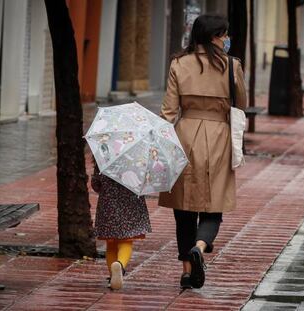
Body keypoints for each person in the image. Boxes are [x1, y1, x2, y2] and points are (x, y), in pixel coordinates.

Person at [158, 15, 247, 289]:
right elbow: (241, 102)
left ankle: (187, 270)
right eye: (224, 35)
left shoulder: (178, 63)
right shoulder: (231, 65)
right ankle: (200, 245)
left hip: (184, 137)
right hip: (219, 137)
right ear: (213, 36)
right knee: (213, 204)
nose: (226, 39)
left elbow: (168, 112)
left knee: (183, 206)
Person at [91, 162, 152, 290]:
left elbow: (96, 185)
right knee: (126, 241)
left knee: (111, 243)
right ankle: (120, 264)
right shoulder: (137, 161)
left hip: (108, 206)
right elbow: (145, 182)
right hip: (131, 205)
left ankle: (113, 276)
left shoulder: (103, 159)